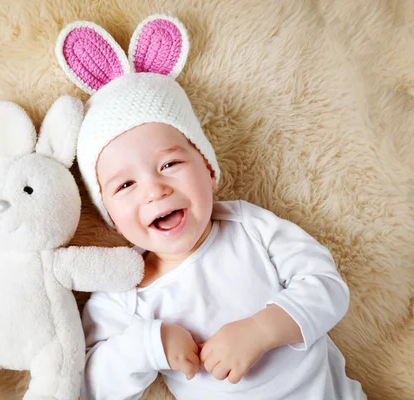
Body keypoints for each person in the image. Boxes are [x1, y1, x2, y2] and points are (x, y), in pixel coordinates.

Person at [56, 14, 366, 400]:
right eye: (126, 185)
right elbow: (89, 387)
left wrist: (262, 329)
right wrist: (149, 346)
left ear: (208, 168)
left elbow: (327, 287)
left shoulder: (248, 226)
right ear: (112, 219)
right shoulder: (124, 289)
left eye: (170, 164)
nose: (154, 190)